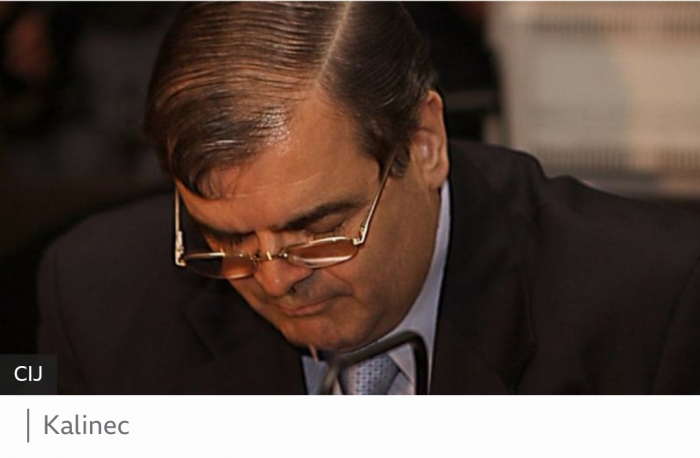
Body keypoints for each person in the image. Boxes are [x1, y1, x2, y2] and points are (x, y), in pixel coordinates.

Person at [38, 2, 700, 394]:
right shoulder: (94, 296)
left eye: (318, 230)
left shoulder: (655, 306)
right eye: (229, 238)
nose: (275, 279)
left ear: (425, 144)